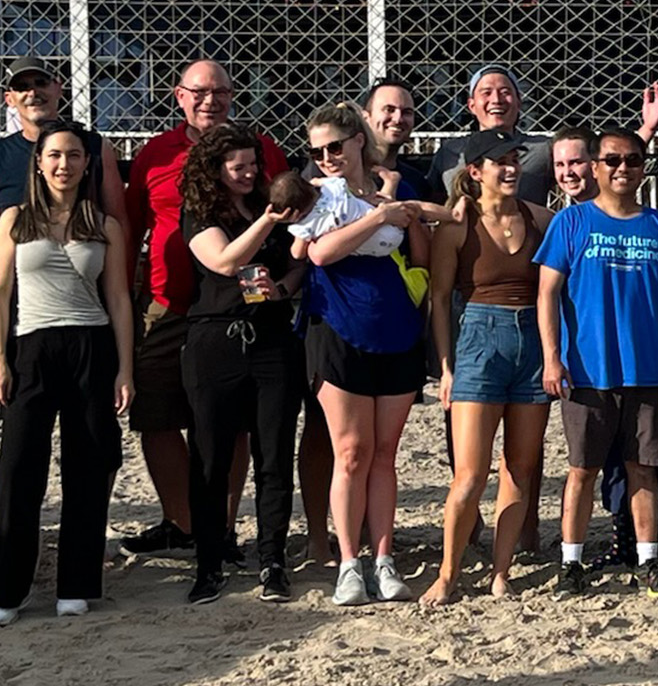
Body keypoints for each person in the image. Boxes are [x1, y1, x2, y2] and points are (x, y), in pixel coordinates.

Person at [120, 59, 289, 558]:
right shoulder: (156, 153)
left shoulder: (260, 150)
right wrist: (130, 299)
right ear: (179, 96)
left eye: (220, 91)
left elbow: (283, 217)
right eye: (199, 92)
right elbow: (133, 229)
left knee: (230, 421)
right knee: (157, 413)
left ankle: (224, 525)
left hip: (239, 305)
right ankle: (183, 521)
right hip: (168, 300)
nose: (210, 100)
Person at [0, 120, 135, 627]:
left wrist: (124, 369)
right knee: (20, 467)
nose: (63, 164)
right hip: (32, 347)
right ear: (39, 163)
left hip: (91, 347)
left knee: (88, 467)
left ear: (86, 163)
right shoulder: (14, 220)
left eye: (73, 155)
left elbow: (117, 300)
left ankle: (77, 582)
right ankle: (7, 589)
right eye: (54, 156)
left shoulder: (103, 225)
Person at [289, 106, 438, 606]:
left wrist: (406, 212)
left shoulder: (388, 190)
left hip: (395, 323)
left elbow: (420, 256)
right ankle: (349, 562)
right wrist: (380, 215)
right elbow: (318, 253)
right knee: (350, 451)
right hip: (337, 325)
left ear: (358, 141)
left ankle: (384, 557)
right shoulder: (318, 194)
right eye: (317, 151)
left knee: (384, 453)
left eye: (335, 146)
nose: (327, 157)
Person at [538, 129, 658, 598]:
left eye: (632, 160)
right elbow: (546, 293)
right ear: (596, 165)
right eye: (612, 160)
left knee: (644, 469)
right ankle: (571, 562)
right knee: (582, 469)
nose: (622, 168)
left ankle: (648, 561)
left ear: (643, 166)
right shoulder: (571, 223)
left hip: (648, 369)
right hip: (587, 370)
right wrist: (552, 357)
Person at [420, 132, 559, 606]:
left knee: (520, 468)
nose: (511, 168)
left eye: (514, 159)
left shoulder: (540, 219)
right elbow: (439, 300)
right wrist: (446, 366)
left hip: (532, 342)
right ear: (475, 172)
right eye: (498, 162)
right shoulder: (458, 227)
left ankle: (502, 570)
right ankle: (448, 573)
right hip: (478, 336)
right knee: (470, 475)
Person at [173, 124, 307, 604]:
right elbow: (226, 262)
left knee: (274, 455)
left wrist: (285, 287)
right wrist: (268, 221)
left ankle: (272, 560)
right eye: (238, 166)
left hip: (271, 337)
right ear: (215, 169)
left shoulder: (270, 205)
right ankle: (209, 562)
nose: (249, 173)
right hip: (215, 341)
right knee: (210, 457)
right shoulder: (201, 211)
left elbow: (299, 263)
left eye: (253, 163)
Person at [427, 66, 658, 205]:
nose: (496, 100)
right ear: (471, 104)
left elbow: (606, 156)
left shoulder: (541, 149)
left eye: (505, 92)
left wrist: (647, 129)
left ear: (519, 101)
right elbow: (432, 202)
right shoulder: (450, 152)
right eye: (486, 93)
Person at [0, 54, 127, 235]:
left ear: (59, 89)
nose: (33, 93)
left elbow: (118, 220)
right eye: (22, 87)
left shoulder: (95, 147)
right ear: (9, 99)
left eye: (41, 83)